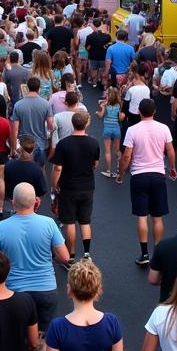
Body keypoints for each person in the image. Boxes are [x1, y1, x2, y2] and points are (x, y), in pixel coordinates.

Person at [0, 183, 70, 351]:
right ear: (36, 202)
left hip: (15, 292)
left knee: (16, 328)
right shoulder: (48, 224)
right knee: (42, 330)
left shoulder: (1, 228)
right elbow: (65, 257)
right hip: (46, 290)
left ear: (12, 203)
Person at [117, 98, 177, 266]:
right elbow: (170, 150)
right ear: (155, 111)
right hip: (158, 174)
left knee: (142, 216)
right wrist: (172, 167)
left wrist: (121, 173)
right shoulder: (164, 128)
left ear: (138, 112)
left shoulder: (132, 130)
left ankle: (144, 254)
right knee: (157, 217)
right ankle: (158, 254)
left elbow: (127, 155)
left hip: (139, 176)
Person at [50, 109, 100, 261]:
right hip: (87, 187)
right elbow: (95, 164)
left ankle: (70, 254)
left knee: (69, 221)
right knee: (85, 221)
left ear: (73, 123)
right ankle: (86, 254)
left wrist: (54, 185)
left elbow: (58, 167)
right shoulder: (93, 143)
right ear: (87, 124)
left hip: (68, 187)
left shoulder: (64, 144)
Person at [9, 77, 53, 166]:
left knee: (24, 171)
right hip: (40, 144)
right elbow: (50, 126)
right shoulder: (46, 104)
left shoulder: (18, 105)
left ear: (28, 87)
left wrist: (13, 148)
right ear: (39, 88)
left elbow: (15, 129)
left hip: (24, 145)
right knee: (41, 170)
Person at [3, 136, 48, 207]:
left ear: (20, 149)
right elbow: (41, 190)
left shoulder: (9, 165)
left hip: (13, 200)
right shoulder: (36, 169)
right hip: (30, 201)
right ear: (33, 150)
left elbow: (5, 185)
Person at [95, 85, 121, 178]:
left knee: (107, 151)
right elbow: (120, 118)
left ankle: (109, 171)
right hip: (116, 128)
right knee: (117, 150)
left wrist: (97, 112)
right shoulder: (119, 105)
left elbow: (101, 116)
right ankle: (119, 170)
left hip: (107, 129)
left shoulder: (105, 105)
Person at [84, 17, 111, 88]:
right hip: (103, 56)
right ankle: (101, 82)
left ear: (93, 25)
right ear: (101, 25)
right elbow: (108, 46)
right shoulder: (107, 36)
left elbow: (87, 47)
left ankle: (94, 82)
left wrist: (90, 51)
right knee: (102, 70)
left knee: (93, 70)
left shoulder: (90, 36)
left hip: (93, 56)